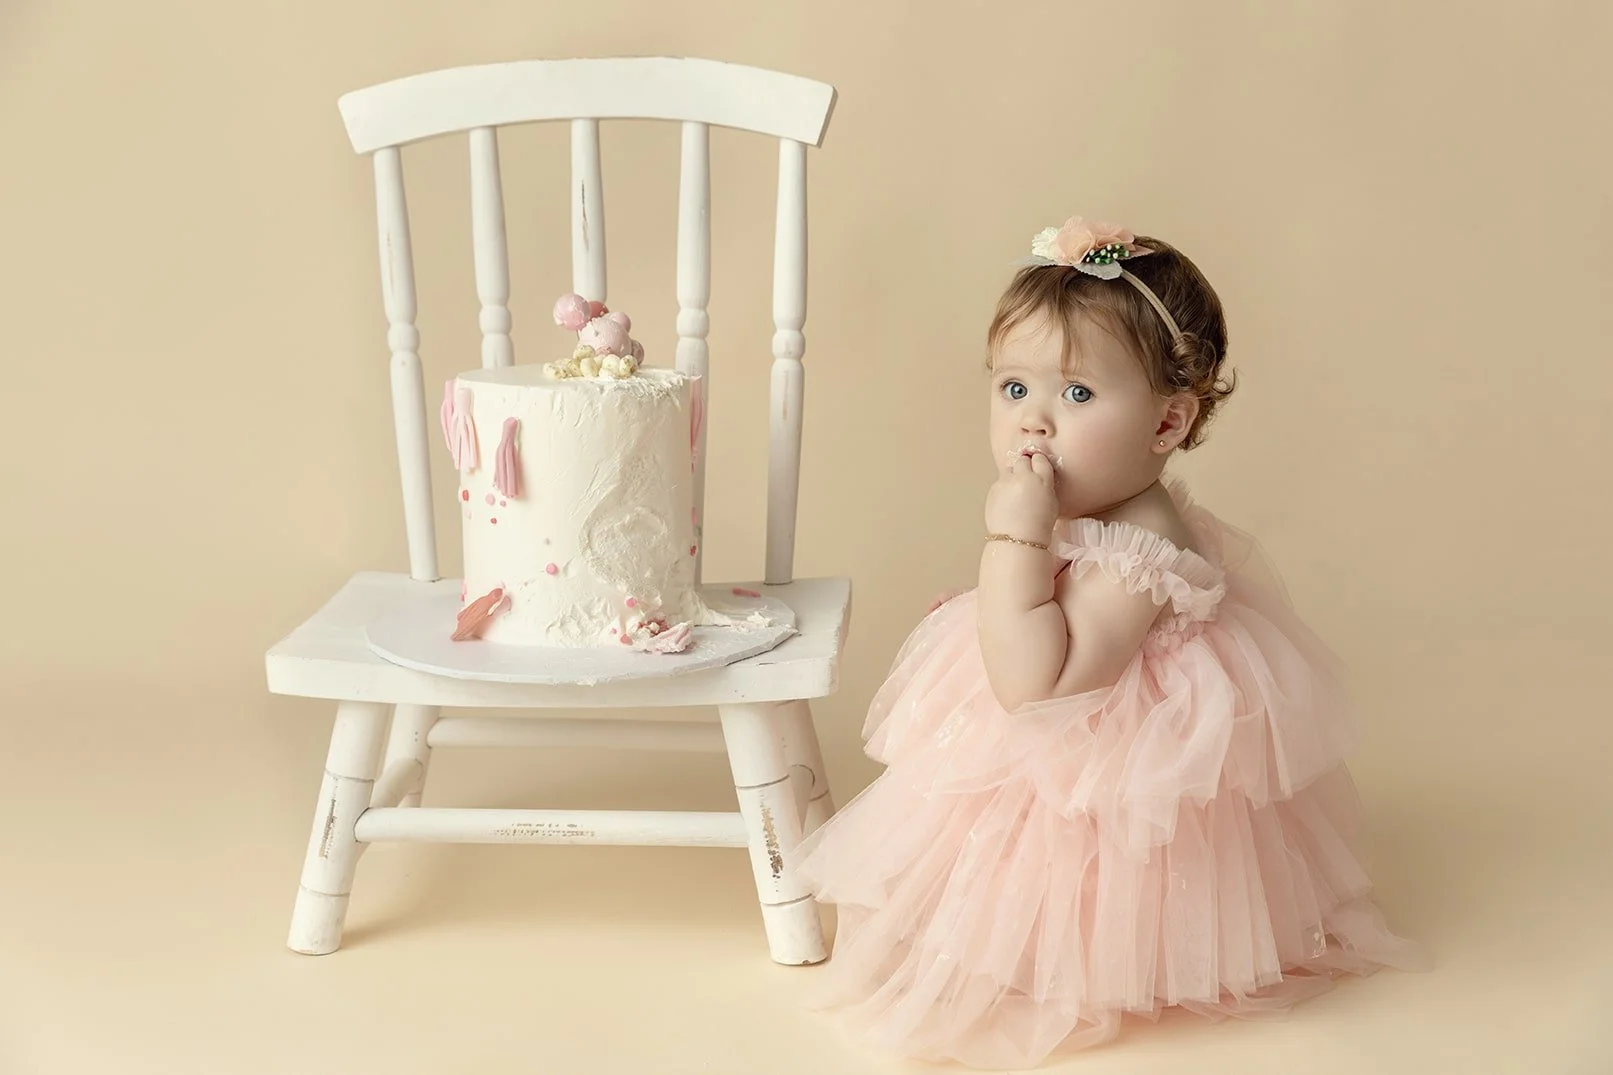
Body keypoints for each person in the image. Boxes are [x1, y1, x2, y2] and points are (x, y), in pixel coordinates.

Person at [794, 216, 1426, 1069]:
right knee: (982, 817)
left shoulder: (1140, 551)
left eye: (1078, 395)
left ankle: (1089, 945)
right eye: (1012, 387)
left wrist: (1013, 540)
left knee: (1069, 832)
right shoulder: (1100, 504)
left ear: (1167, 423)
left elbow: (1035, 691)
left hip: (1095, 737)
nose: (1032, 422)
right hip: (1049, 669)